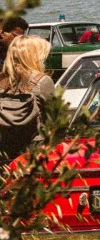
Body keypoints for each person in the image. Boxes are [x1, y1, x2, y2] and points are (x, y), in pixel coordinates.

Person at [0, 34, 54, 164]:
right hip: (33, 152)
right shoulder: (43, 81)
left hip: (5, 151)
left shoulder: (1, 81)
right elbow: (55, 120)